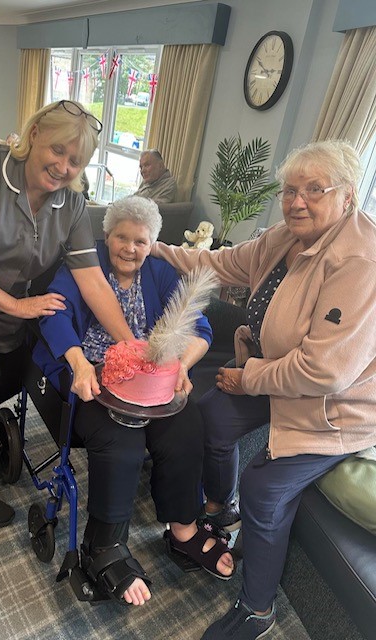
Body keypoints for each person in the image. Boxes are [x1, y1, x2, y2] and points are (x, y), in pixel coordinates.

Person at [150, 140, 376, 639]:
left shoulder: (361, 260)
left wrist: (247, 377)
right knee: (208, 417)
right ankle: (219, 509)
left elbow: (324, 371)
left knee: (264, 490)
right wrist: (147, 245)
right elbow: (221, 263)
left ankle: (257, 610)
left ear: (348, 196)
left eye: (315, 189)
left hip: (334, 407)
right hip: (272, 376)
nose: (297, 201)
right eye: (290, 189)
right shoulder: (284, 238)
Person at [0, 100, 136, 529]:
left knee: (23, 371)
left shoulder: (71, 203)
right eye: (57, 151)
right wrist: (17, 306)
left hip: (8, 296)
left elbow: (92, 280)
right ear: (34, 136)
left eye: (76, 161)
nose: (63, 166)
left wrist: (131, 344)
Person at [32, 195, 236, 606]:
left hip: (151, 379)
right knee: (121, 440)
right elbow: (53, 315)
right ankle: (103, 544)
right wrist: (79, 364)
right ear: (106, 237)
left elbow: (199, 326)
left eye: (140, 241)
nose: (130, 248)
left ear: (152, 243)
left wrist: (182, 365)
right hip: (92, 372)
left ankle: (183, 530)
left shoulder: (160, 273)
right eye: (121, 237)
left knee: (186, 424)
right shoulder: (83, 268)